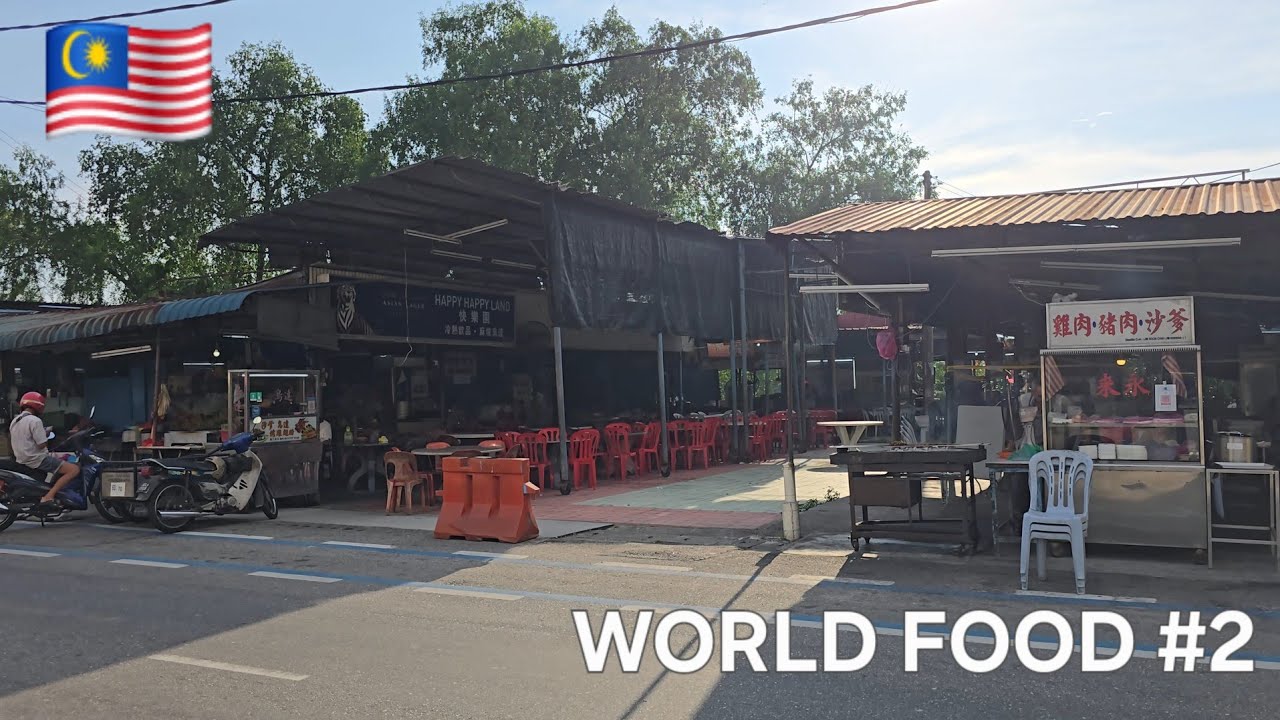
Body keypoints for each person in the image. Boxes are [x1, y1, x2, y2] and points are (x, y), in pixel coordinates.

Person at [9, 392, 79, 506]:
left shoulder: (15, 421)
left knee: (60, 464)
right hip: (37, 459)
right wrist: (46, 434)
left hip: (22, 458)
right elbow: (42, 445)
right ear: (39, 406)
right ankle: (49, 496)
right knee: (74, 469)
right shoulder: (35, 421)